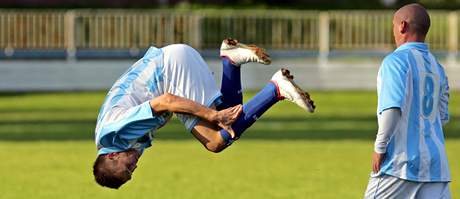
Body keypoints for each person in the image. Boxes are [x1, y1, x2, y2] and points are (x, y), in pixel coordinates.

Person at [92, 38, 316, 189]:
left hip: (171, 70)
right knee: (225, 121)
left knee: (215, 140)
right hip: (171, 66)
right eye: (132, 171)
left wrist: (211, 115)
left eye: (128, 167)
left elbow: (166, 101)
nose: (135, 165)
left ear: (113, 156)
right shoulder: (114, 140)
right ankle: (231, 60)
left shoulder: (116, 131)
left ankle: (276, 89)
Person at [363, 3, 451, 199]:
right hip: (436, 168)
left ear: (402, 26)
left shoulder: (395, 61)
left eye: (393, 25)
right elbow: (442, 117)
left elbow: (392, 109)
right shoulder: (438, 68)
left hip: (399, 165)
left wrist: (379, 148)